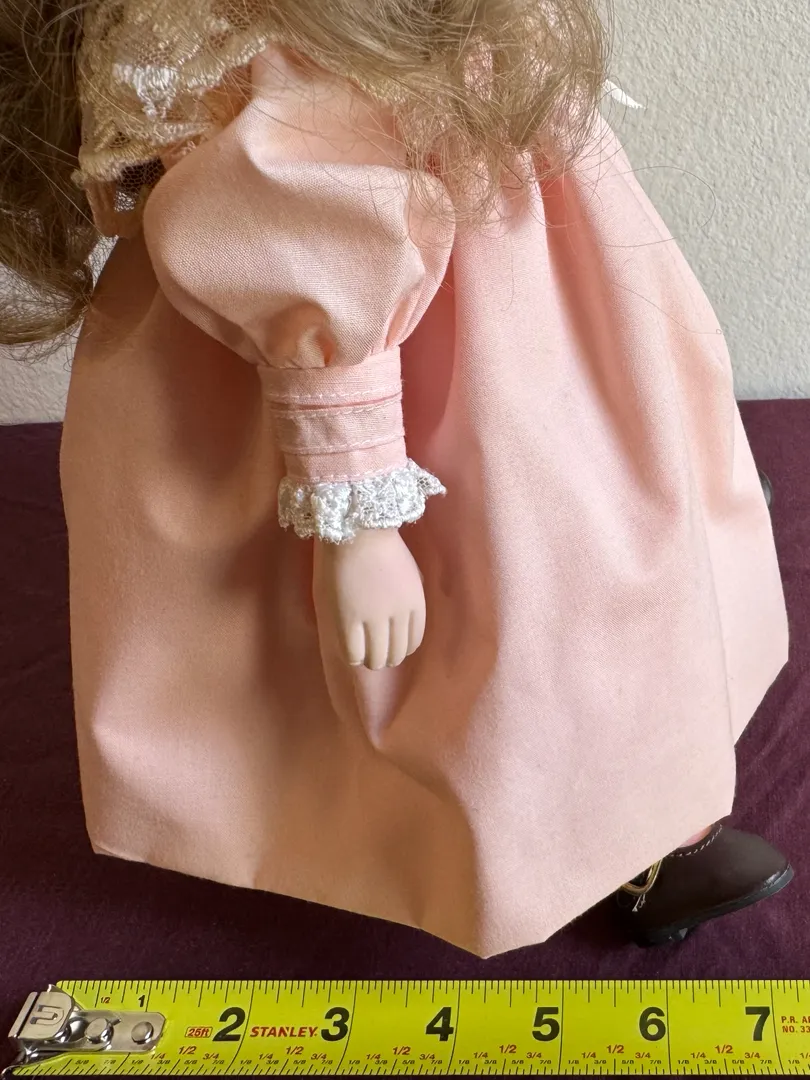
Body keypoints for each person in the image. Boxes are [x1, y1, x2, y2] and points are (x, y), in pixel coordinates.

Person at [0, 0, 792, 958]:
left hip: (524, 290)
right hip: (379, 337)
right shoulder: (273, 46)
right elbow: (300, 227)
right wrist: (357, 504)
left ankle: (633, 804)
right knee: (524, 598)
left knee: (600, 548)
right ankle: (546, 833)